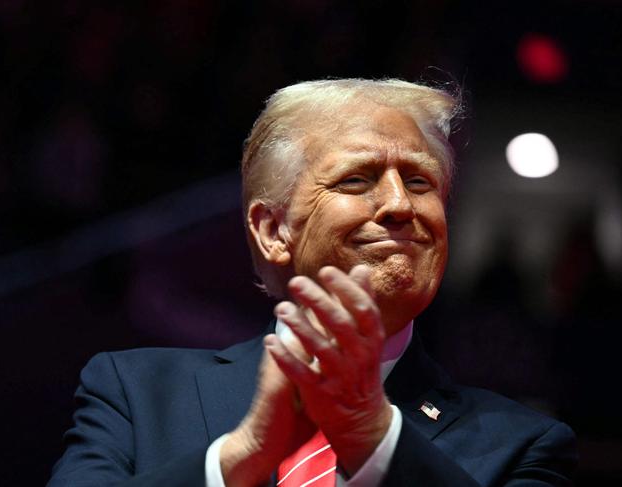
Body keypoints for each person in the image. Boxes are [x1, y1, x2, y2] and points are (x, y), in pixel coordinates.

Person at [48, 79, 577, 487]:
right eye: (356, 179)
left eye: (419, 181)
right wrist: (241, 459)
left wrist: (374, 438)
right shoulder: (135, 393)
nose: (400, 204)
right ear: (273, 230)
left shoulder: (524, 445)